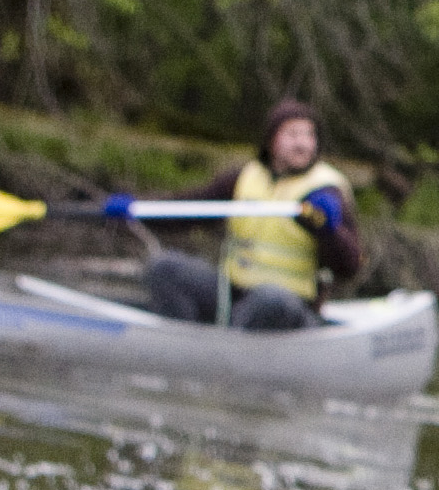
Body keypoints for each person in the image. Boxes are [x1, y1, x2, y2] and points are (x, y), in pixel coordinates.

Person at [136, 99, 359, 331]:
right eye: (293, 135)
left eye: (309, 136)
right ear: (272, 139)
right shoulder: (244, 177)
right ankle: (180, 344)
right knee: (164, 268)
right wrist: (135, 210)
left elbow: (352, 265)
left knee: (270, 300)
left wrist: (327, 231)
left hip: (289, 306)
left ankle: (226, 353)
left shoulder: (326, 191)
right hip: (233, 295)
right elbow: (189, 209)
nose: (303, 144)